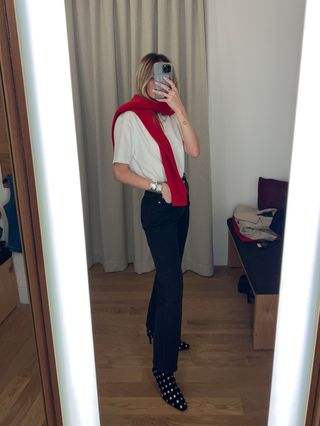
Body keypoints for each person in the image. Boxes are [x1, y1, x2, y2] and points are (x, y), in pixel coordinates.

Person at [111, 52, 200, 411]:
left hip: (181, 200)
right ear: (144, 78)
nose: (161, 83)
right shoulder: (129, 117)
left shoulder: (169, 115)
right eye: (157, 78)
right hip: (159, 205)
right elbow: (119, 169)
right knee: (173, 285)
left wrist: (179, 109)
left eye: (167, 77)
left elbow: (193, 151)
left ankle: (155, 329)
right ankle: (164, 370)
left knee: (168, 277)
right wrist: (153, 186)